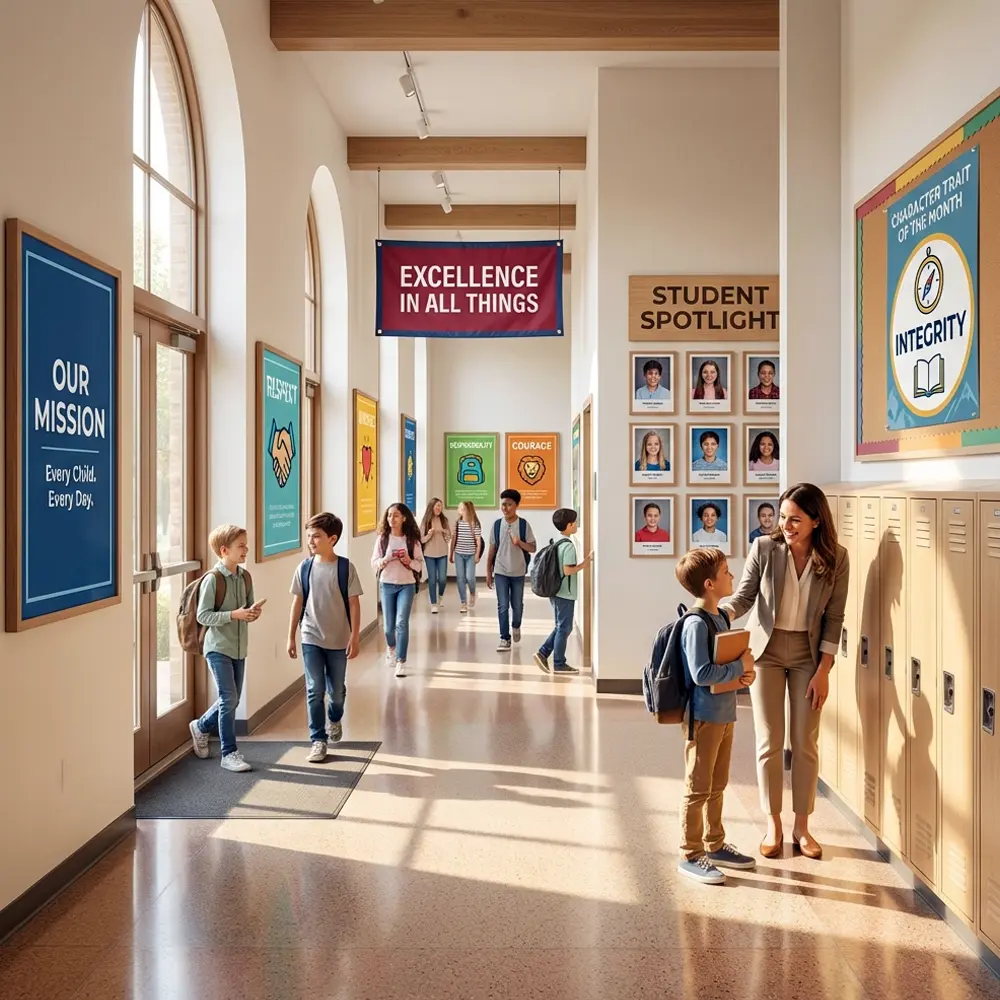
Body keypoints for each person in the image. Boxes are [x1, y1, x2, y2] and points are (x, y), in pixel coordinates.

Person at [721, 483, 849, 860]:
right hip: (767, 651)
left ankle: (803, 827)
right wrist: (718, 613)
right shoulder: (764, 548)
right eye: (783, 517)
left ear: (815, 521)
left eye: (795, 519)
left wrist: (824, 669)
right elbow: (745, 596)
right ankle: (773, 824)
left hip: (810, 656)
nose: (786, 525)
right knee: (769, 740)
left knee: (805, 742)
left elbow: (834, 618)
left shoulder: (836, 558)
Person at [674, 547, 757, 884]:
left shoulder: (722, 617)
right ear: (710, 584)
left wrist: (743, 677)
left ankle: (715, 842)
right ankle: (690, 853)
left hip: (725, 714)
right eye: (726, 572)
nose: (732, 576)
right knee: (698, 787)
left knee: (718, 784)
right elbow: (701, 673)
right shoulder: (695, 624)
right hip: (703, 718)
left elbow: (725, 663)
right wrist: (740, 667)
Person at [287, 512, 363, 764]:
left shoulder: (345, 568)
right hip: (310, 636)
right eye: (309, 536)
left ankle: (336, 717)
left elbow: (354, 604)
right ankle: (318, 740)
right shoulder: (304, 568)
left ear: (332, 539)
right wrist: (290, 636)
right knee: (314, 689)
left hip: (339, 638)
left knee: (337, 692)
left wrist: (354, 637)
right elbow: (297, 603)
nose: (311, 540)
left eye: (316, 536)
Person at [188, 524, 263, 773]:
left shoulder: (245, 577)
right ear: (224, 550)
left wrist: (252, 613)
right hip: (218, 647)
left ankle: (200, 726)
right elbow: (203, 616)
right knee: (229, 698)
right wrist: (234, 614)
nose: (246, 549)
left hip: (239, 647)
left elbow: (247, 610)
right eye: (241, 545)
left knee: (231, 698)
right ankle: (229, 753)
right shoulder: (213, 580)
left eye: (246, 544)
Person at [533, 508, 593, 675]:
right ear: (569, 525)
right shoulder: (569, 547)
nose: (577, 525)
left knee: (561, 626)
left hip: (556, 591)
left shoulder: (558, 541)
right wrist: (585, 564)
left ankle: (543, 653)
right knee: (564, 627)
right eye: (575, 522)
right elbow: (567, 570)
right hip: (564, 593)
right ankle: (559, 663)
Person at [371, 503, 424, 678]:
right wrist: (384, 560)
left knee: (401, 623)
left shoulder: (412, 541)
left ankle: (401, 661)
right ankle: (391, 648)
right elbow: (374, 562)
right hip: (386, 584)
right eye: (389, 515)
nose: (391, 519)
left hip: (406, 585)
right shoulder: (382, 539)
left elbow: (419, 565)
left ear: (404, 518)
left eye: (395, 516)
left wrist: (408, 560)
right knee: (388, 627)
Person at [487, 489, 536, 652]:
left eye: (509, 505)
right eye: (503, 505)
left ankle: (516, 625)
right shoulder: (496, 525)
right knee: (502, 605)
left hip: (518, 572)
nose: (505, 508)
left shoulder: (523, 525)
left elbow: (533, 547)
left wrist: (519, 542)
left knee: (517, 605)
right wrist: (489, 572)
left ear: (516, 506)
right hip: (500, 571)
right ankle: (504, 638)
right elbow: (492, 550)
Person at [449, 500, 484, 614]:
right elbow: (453, 539)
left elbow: (478, 542)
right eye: (459, 508)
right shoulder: (458, 523)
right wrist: (451, 554)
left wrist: (477, 555)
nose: (460, 510)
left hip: (471, 554)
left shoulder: (475, 524)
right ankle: (463, 602)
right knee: (460, 578)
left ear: (468, 510)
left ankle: (473, 593)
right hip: (459, 553)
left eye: (462, 508)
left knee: (470, 578)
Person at [420, 497, 452, 614]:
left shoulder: (444, 520)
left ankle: (440, 597)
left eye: (440, 506)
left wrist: (445, 532)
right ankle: (433, 603)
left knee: (442, 579)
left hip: (442, 553)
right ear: (431, 507)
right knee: (432, 579)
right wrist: (429, 535)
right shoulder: (425, 522)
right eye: (437, 505)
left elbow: (449, 537)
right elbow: (421, 540)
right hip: (429, 554)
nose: (439, 508)